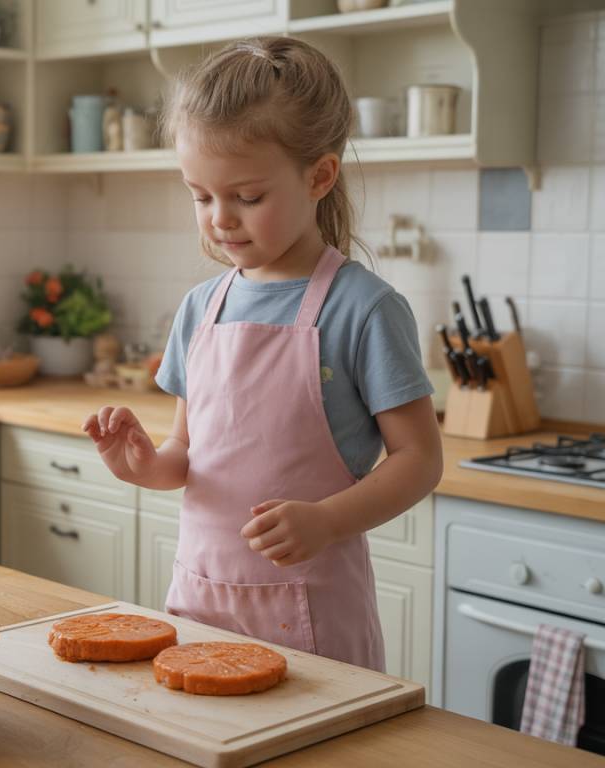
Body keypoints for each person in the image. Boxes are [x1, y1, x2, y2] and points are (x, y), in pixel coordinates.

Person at [81, 37, 443, 672]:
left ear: (319, 177)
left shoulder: (363, 309)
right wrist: (142, 464)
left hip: (313, 618)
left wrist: (328, 521)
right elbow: (188, 460)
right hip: (199, 604)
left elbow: (419, 460)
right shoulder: (201, 308)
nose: (220, 219)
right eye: (201, 196)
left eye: (246, 197)